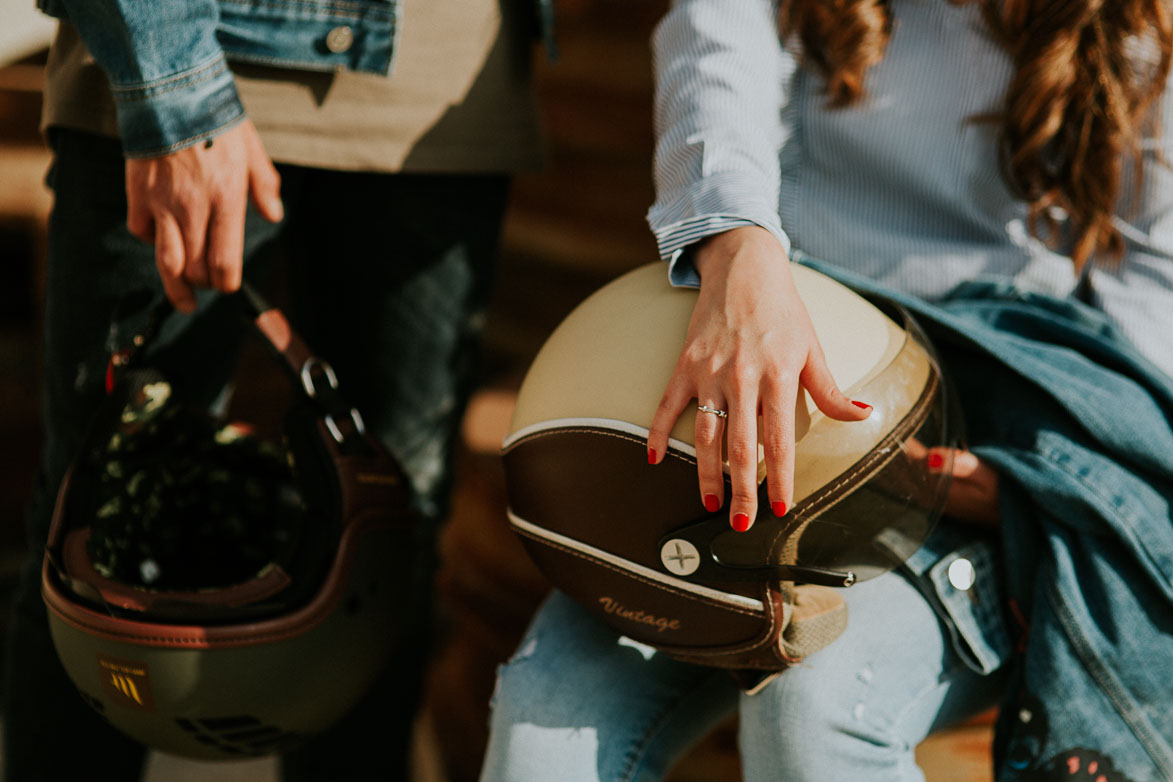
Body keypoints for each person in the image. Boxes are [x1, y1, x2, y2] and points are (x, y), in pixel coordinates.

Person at [479, 1, 1173, 781]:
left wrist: (1019, 482)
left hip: (990, 431)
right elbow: (713, 47)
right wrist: (737, 247)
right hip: (779, 376)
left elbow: (1154, 300)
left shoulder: (1140, 28)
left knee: (813, 712)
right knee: (543, 722)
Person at [3, 0, 550, 779]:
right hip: (195, 59)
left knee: (385, 548)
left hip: (443, 98)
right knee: (92, 536)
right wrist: (176, 91)